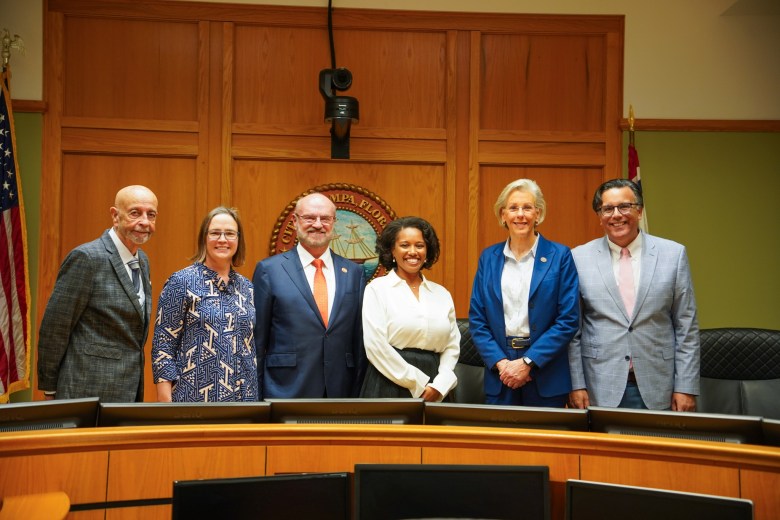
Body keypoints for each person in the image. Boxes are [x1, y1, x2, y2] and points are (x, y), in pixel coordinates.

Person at [568, 178, 700, 411]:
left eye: (624, 206)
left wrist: (686, 386)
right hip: (599, 384)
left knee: (657, 448)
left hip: (661, 385)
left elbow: (686, 326)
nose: (616, 215)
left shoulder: (673, 254)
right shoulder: (578, 258)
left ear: (639, 210)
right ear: (600, 216)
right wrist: (576, 384)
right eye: (607, 209)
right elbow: (573, 331)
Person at [37, 185, 158, 402]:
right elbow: (55, 327)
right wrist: (50, 389)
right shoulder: (87, 258)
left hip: (129, 391)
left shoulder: (143, 260)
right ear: (115, 216)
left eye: (151, 215)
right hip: (84, 391)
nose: (144, 222)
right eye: (134, 213)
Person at [469, 179, 579, 407]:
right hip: (501, 374)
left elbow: (568, 319)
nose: (520, 214)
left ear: (538, 214)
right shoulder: (488, 258)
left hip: (546, 371)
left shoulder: (560, 256)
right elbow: (478, 321)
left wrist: (528, 362)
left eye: (527, 208)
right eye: (513, 208)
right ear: (503, 215)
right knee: (502, 442)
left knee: (545, 442)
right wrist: (502, 363)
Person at [252, 192, 366, 399]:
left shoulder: (354, 273)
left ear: (334, 222)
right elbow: (258, 341)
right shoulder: (269, 270)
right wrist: (256, 398)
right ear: (295, 221)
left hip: (341, 390)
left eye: (325, 218)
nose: (318, 224)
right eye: (310, 218)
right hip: (285, 389)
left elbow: (358, 342)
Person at [152, 207, 258, 402]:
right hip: (194, 400)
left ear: (238, 240)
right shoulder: (182, 282)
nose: (222, 239)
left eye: (230, 234)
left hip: (245, 399)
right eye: (215, 233)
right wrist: (165, 405)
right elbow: (163, 346)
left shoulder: (246, 287)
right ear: (204, 238)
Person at [361, 217, 460, 402]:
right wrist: (418, 384)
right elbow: (375, 346)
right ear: (392, 250)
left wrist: (440, 384)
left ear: (427, 250)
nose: (413, 252)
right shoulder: (377, 289)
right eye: (404, 245)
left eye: (420, 245)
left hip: (436, 387)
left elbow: (452, 345)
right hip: (390, 382)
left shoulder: (442, 294)